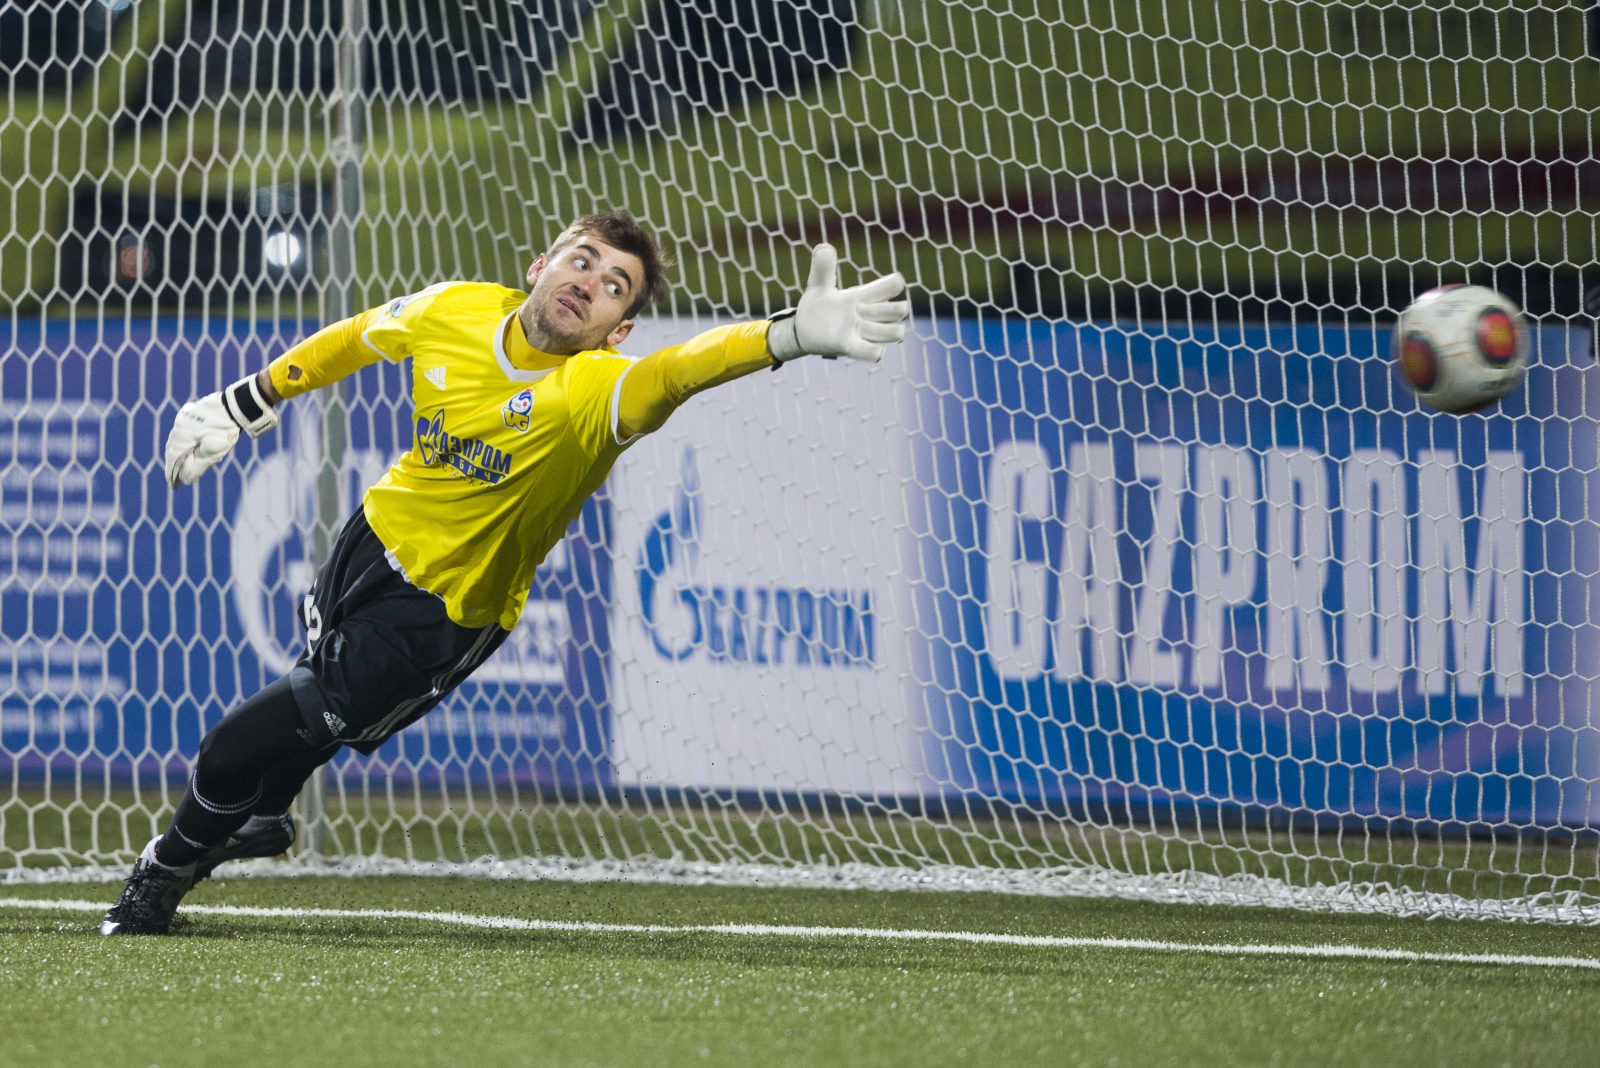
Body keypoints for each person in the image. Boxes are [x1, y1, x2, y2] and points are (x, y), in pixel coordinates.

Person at [100, 212, 908, 934]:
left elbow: (685, 367)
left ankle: (161, 877)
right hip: (369, 541)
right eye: (582, 261)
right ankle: (264, 818)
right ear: (539, 265)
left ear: (617, 332)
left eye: (615, 286)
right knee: (309, 717)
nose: (590, 283)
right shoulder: (454, 309)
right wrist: (248, 400)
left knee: (231, 749)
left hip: (437, 621)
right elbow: (356, 336)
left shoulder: (599, 393)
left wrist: (789, 335)